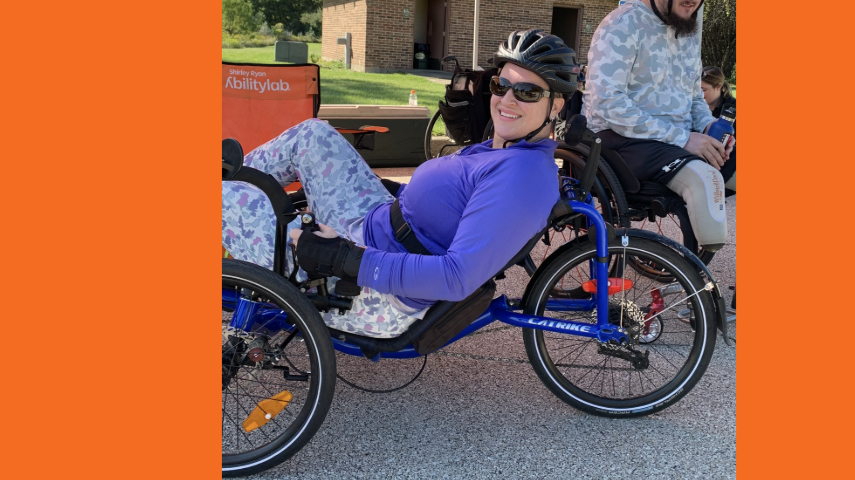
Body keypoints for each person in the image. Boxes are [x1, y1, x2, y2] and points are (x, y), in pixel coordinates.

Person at [222, 29, 578, 339]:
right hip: (375, 223)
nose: (507, 99)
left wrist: (342, 258)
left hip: (373, 290)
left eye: (527, 92)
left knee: (220, 199)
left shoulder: (522, 176)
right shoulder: (507, 147)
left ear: (555, 105)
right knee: (312, 136)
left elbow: (456, 278)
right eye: (501, 85)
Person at [584, 0, 732, 253]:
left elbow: (694, 97)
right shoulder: (622, 23)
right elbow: (607, 103)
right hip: (620, 137)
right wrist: (683, 138)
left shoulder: (688, 27)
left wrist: (708, 127)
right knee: (706, 181)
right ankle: (697, 277)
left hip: (676, 138)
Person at [700, 65, 736, 194]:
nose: (699, 94)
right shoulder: (692, 108)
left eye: (703, 90)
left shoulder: (733, 109)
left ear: (718, 87)